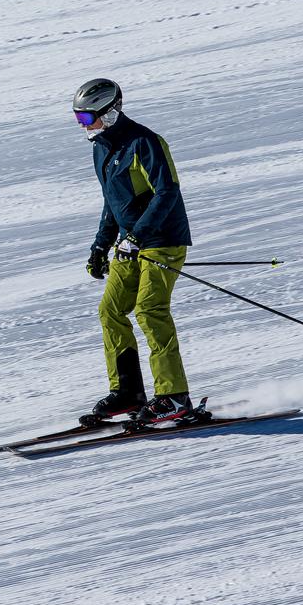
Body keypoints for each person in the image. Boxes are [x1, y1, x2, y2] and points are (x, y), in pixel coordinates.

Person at [73, 78, 194, 426]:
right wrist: (100, 245)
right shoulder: (102, 148)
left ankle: (174, 397)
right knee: (110, 311)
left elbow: (166, 192)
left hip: (163, 240)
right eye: (79, 118)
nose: (84, 126)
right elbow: (113, 203)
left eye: (88, 118)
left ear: (110, 113)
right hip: (128, 243)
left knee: (150, 309)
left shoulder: (146, 142)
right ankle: (128, 391)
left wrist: (138, 236)